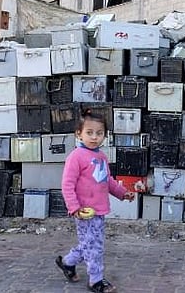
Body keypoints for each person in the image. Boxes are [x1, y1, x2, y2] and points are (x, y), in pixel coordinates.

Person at [56, 109, 134, 293]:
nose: (94, 137)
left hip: (99, 211)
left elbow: (107, 181)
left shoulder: (101, 157)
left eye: (99, 133)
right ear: (79, 133)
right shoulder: (76, 157)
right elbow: (67, 184)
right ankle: (96, 280)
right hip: (83, 212)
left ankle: (67, 262)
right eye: (89, 133)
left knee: (89, 244)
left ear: (105, 136)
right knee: (95, 247)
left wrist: (123, 193)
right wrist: (74, 207)